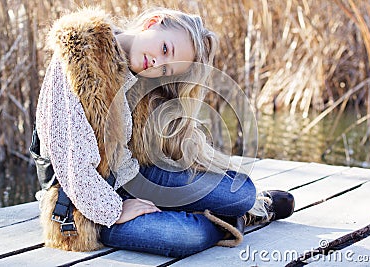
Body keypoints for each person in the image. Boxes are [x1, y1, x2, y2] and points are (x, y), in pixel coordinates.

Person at [31, 7, 295, 257]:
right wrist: (115, 210)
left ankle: (239, 210)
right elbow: (71, 165)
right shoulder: (77, 55)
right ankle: (227, 219)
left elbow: (130, 150)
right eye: (165, 48)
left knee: (242, 193)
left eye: (166, 69)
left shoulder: (137, 74)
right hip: (81, 204)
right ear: (152, 22)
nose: (157, 63)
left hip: (129, 177)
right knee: (186, 235)